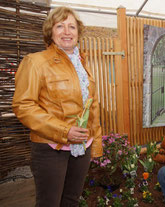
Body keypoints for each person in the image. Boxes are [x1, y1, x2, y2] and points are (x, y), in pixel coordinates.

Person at [12, 7, 103, 207]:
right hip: (51, 148)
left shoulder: (82, 64)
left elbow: (92, 106)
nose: (67, 31)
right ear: (50, 32)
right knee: (49, 203)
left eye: (72, 26)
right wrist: (64, 131)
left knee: (71, 200)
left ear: (78, 33)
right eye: (60, 26)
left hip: (82, 147)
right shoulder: (35, 62)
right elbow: (23, 106)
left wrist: (95, 144)